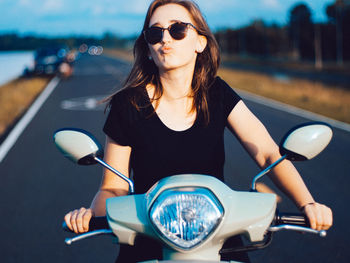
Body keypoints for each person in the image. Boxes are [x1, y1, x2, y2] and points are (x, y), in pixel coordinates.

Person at [64, 0, 333, 262]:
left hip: (218, 236)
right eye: (155, 33)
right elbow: (114, 186)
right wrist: (89, 215)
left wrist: (307, 204)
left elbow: (267, 154)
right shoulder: (128, 104)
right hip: (149, 238)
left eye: (177, 29)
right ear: (147, 47)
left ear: (200, 43)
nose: (165, 39)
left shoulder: (217, 93)